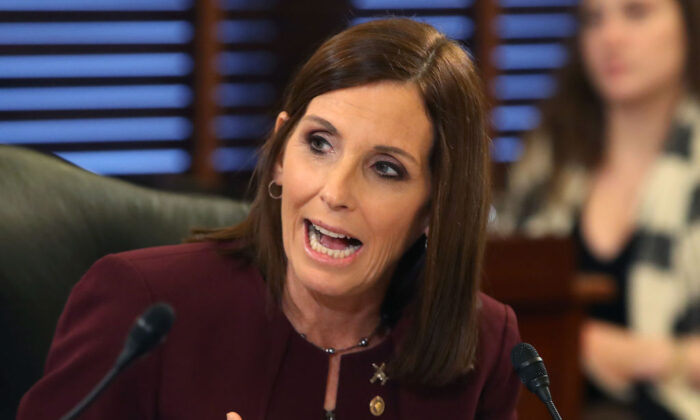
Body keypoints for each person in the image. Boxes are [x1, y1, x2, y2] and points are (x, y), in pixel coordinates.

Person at [17, 18, 521, 420]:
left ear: (436, 207)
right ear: (280, 152)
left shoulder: (483, 345)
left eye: (385, 169)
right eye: (319, 144)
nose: (335, 191)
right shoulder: (140, 307)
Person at [495, 0, 700, 418]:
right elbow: (495, 305)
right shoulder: (547, 161)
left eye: (636, 13)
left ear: (689, 26)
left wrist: (636, 356)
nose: (610, 38)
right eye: (594, 19)